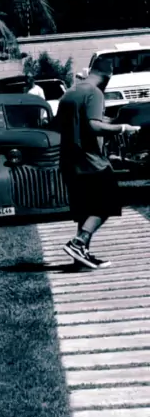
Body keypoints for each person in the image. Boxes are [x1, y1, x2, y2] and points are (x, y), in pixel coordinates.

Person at [56, 55, 140, 269]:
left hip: (69, 160)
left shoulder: (70, 93)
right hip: (91, 161)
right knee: (108, 203)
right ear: (107, 76)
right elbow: (93, 126)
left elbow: (69, 123)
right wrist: (123, 128)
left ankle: (80, 257)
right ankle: (78, 242)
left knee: (86, 209)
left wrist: (109, 122)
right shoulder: (94, 92)